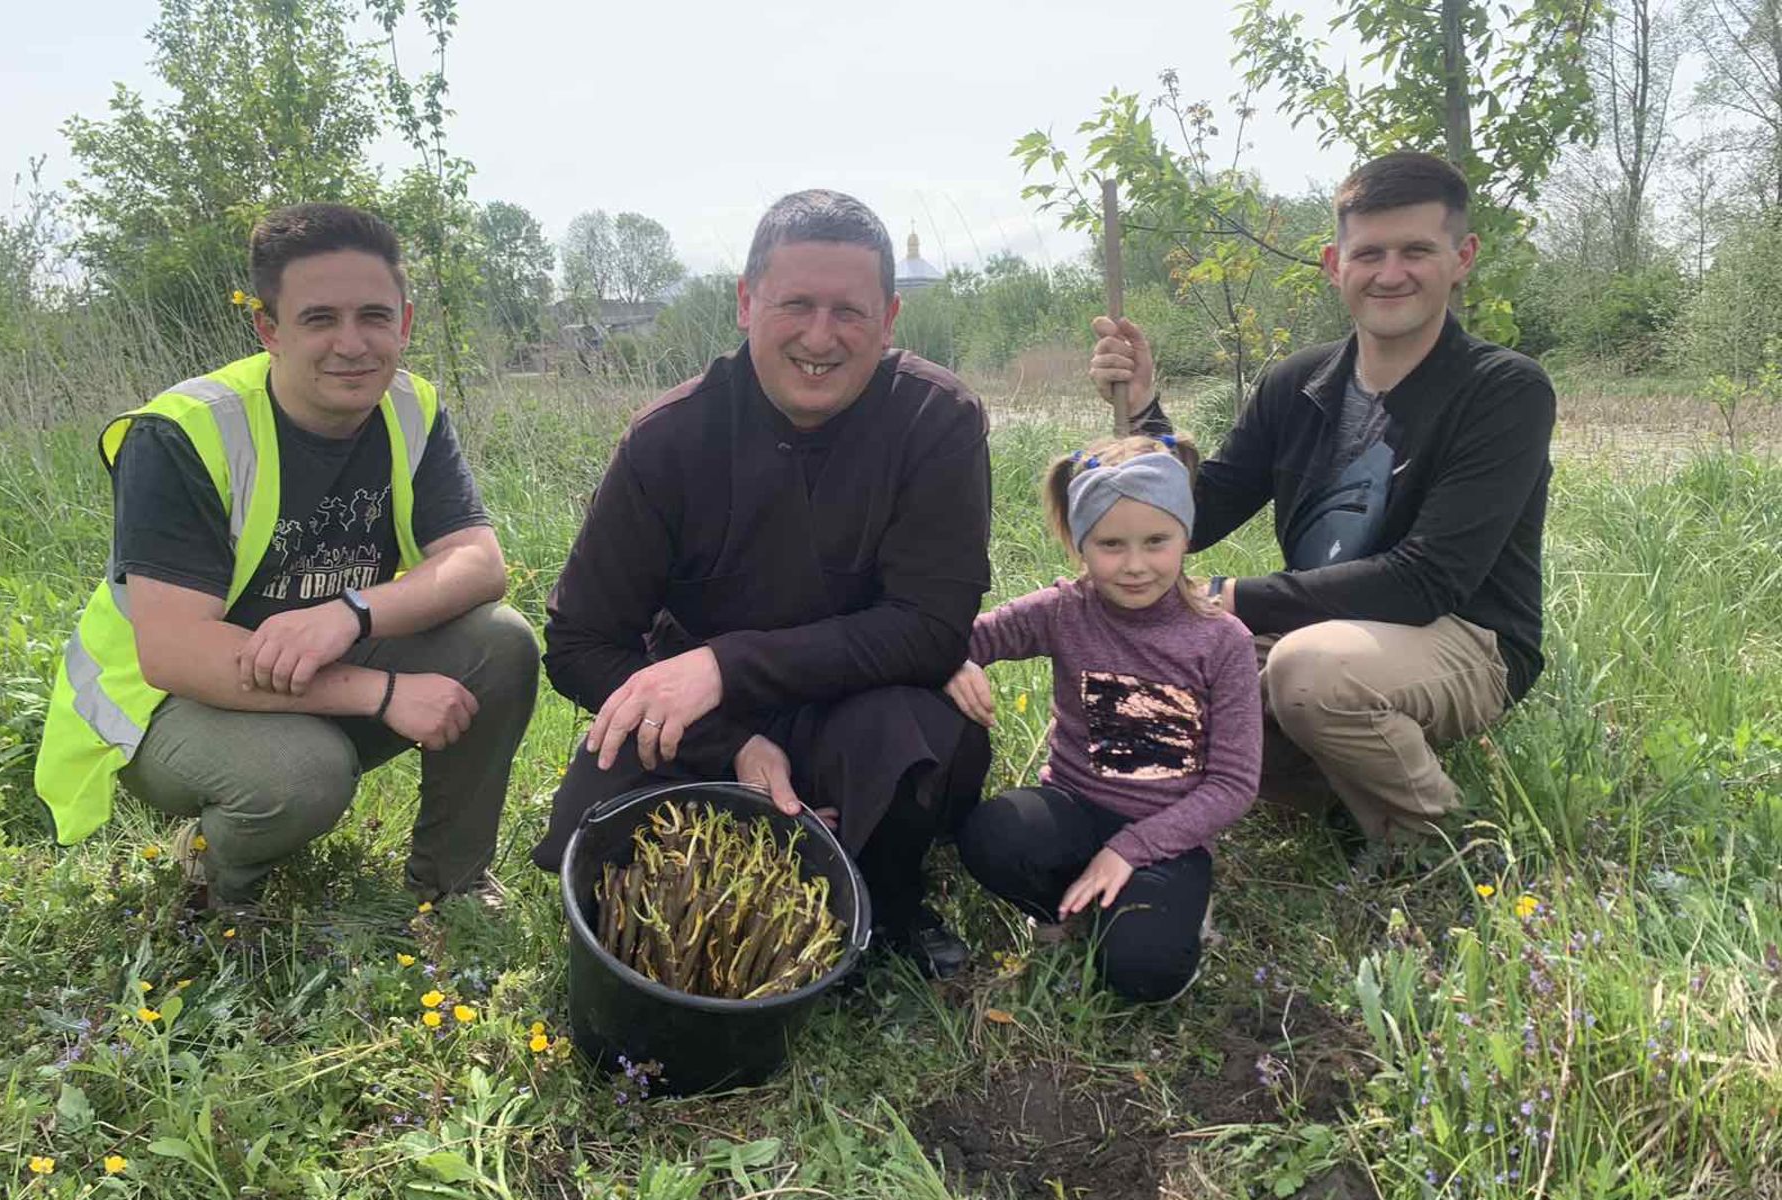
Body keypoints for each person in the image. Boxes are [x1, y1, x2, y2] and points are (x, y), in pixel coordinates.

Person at [538, 189, 992, 979]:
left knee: (930, 739)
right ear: (747, 304)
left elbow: (929, 629)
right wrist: (732, 738)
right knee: (596, 812)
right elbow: (578, 642)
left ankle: (885, 899)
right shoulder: (668, 440)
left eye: (849, 312)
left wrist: (725, 663)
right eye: (795, 305)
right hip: (706, 717)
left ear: (889, 319)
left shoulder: (937, 420)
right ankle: (770, 849)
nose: (821, 338)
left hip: (858, 693)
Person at [35, 203, 540, 909]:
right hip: (167, 703)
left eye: (374, 316)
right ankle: (224, 891)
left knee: (502, 643)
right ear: (268, 328)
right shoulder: (182, 432)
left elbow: (479, 563)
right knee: (304, 773)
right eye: (319, 319)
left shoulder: (411, 407)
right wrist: (385, 693)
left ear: (407, 322)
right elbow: (176, 653)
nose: (352, 344)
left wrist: (352, 612)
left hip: (309, 666)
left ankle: (450, 886)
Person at [1088, 151, 1555, 850]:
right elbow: (1199, 512)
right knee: (1138, 666)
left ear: (1462, 258)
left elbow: (1429, 580)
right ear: (1335, 264)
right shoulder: (1298, 383)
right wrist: (1150, 409)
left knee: (1309, 671)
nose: (1390, 273)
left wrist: (1228, 599)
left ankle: (1433, 844)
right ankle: (1133, 858)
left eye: (1416, 251)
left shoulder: (1503, 390)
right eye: (1369, 253)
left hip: (1466, 638)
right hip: (1319, 627)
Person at [945, 433, 1260, 1000]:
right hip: (1073, 808)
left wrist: (1130, 850)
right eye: (1111, 545)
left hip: (1169, 838)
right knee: (993, 835)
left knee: (1142, 971)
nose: (1135, 566)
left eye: (1156, 542)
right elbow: (960, 638)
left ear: (1185, 535)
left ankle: (1168, 910)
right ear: (1079, 542)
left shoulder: (1222, 641)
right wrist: (953, 663)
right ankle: (1065, 909)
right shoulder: (1064, 610)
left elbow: (1233, 785)